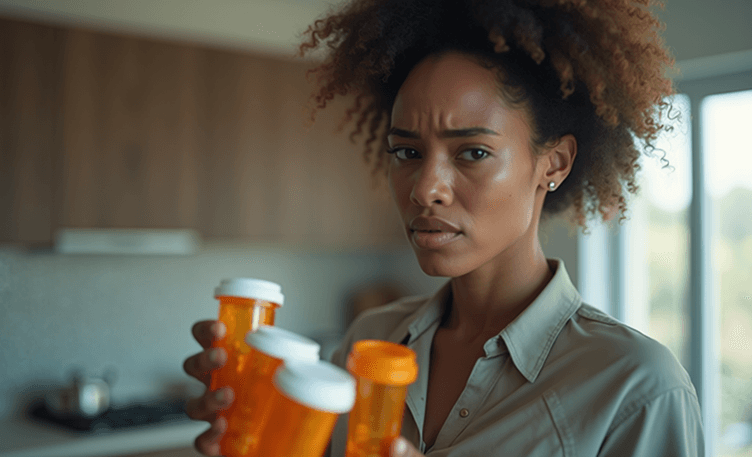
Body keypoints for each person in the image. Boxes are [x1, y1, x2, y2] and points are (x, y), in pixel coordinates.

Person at [182, 0, 705, 455]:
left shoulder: (636, 387)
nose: (424, 188)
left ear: (554, 163)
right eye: (406, 152)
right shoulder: (369, 340)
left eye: (473, 152)